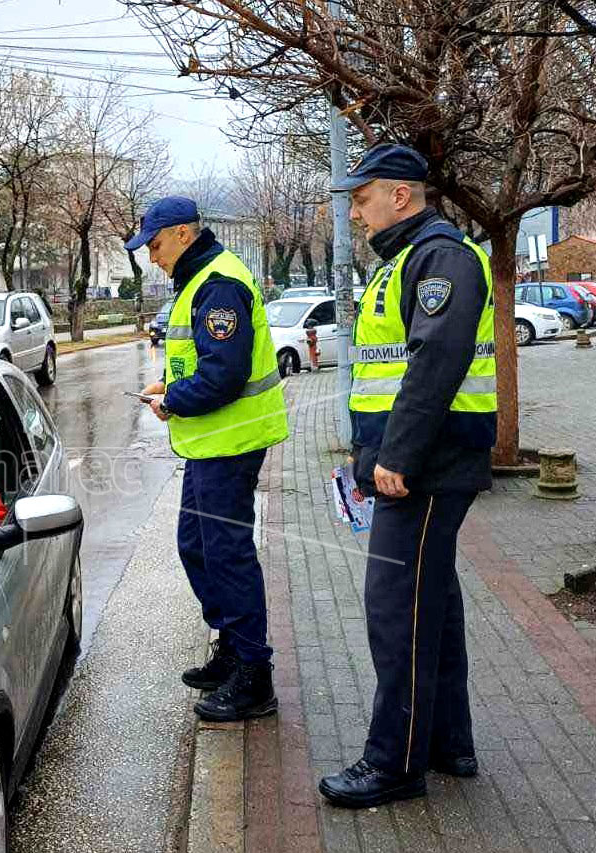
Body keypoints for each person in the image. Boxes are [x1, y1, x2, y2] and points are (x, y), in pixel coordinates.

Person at [317, 144, 496, 809]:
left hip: (421, 469)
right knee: (433, 606)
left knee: (396, 613)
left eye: (360, 198)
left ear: (399, 194)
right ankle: (448, 741)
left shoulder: (439, 256)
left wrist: (395, 457)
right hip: (419, 463)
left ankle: (393, 761)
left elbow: (433, 364)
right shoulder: (409, 259)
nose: (355, 213)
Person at [128, 196, 289, 722]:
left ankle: (253, 672)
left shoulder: (217, 283)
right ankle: (232, 646)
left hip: (232, 442)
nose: (151, 256)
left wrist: (173, 401)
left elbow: (225, 374)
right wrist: (170, 384)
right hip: (210, 445)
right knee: (196, 546)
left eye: (154, 244)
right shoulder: (200, 278)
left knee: (226, 554)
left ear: (180, 234)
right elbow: (204, 362)